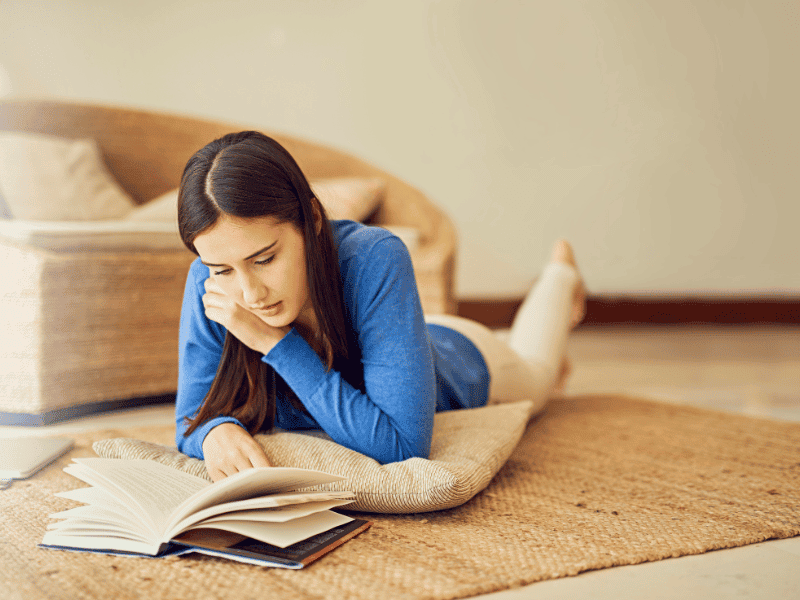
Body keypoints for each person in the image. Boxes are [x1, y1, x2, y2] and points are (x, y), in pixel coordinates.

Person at [175, 131, 587, 482]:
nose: (249, 294)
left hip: (461, 360)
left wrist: (276, 344)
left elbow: (402, 447)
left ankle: (561, 278)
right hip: (397, 333)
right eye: (222, 269)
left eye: (264, 259)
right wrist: (214, 430)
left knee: (539, 373)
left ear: (312, 219)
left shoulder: (374, 257)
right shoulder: (208, 283)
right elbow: (189, 420)